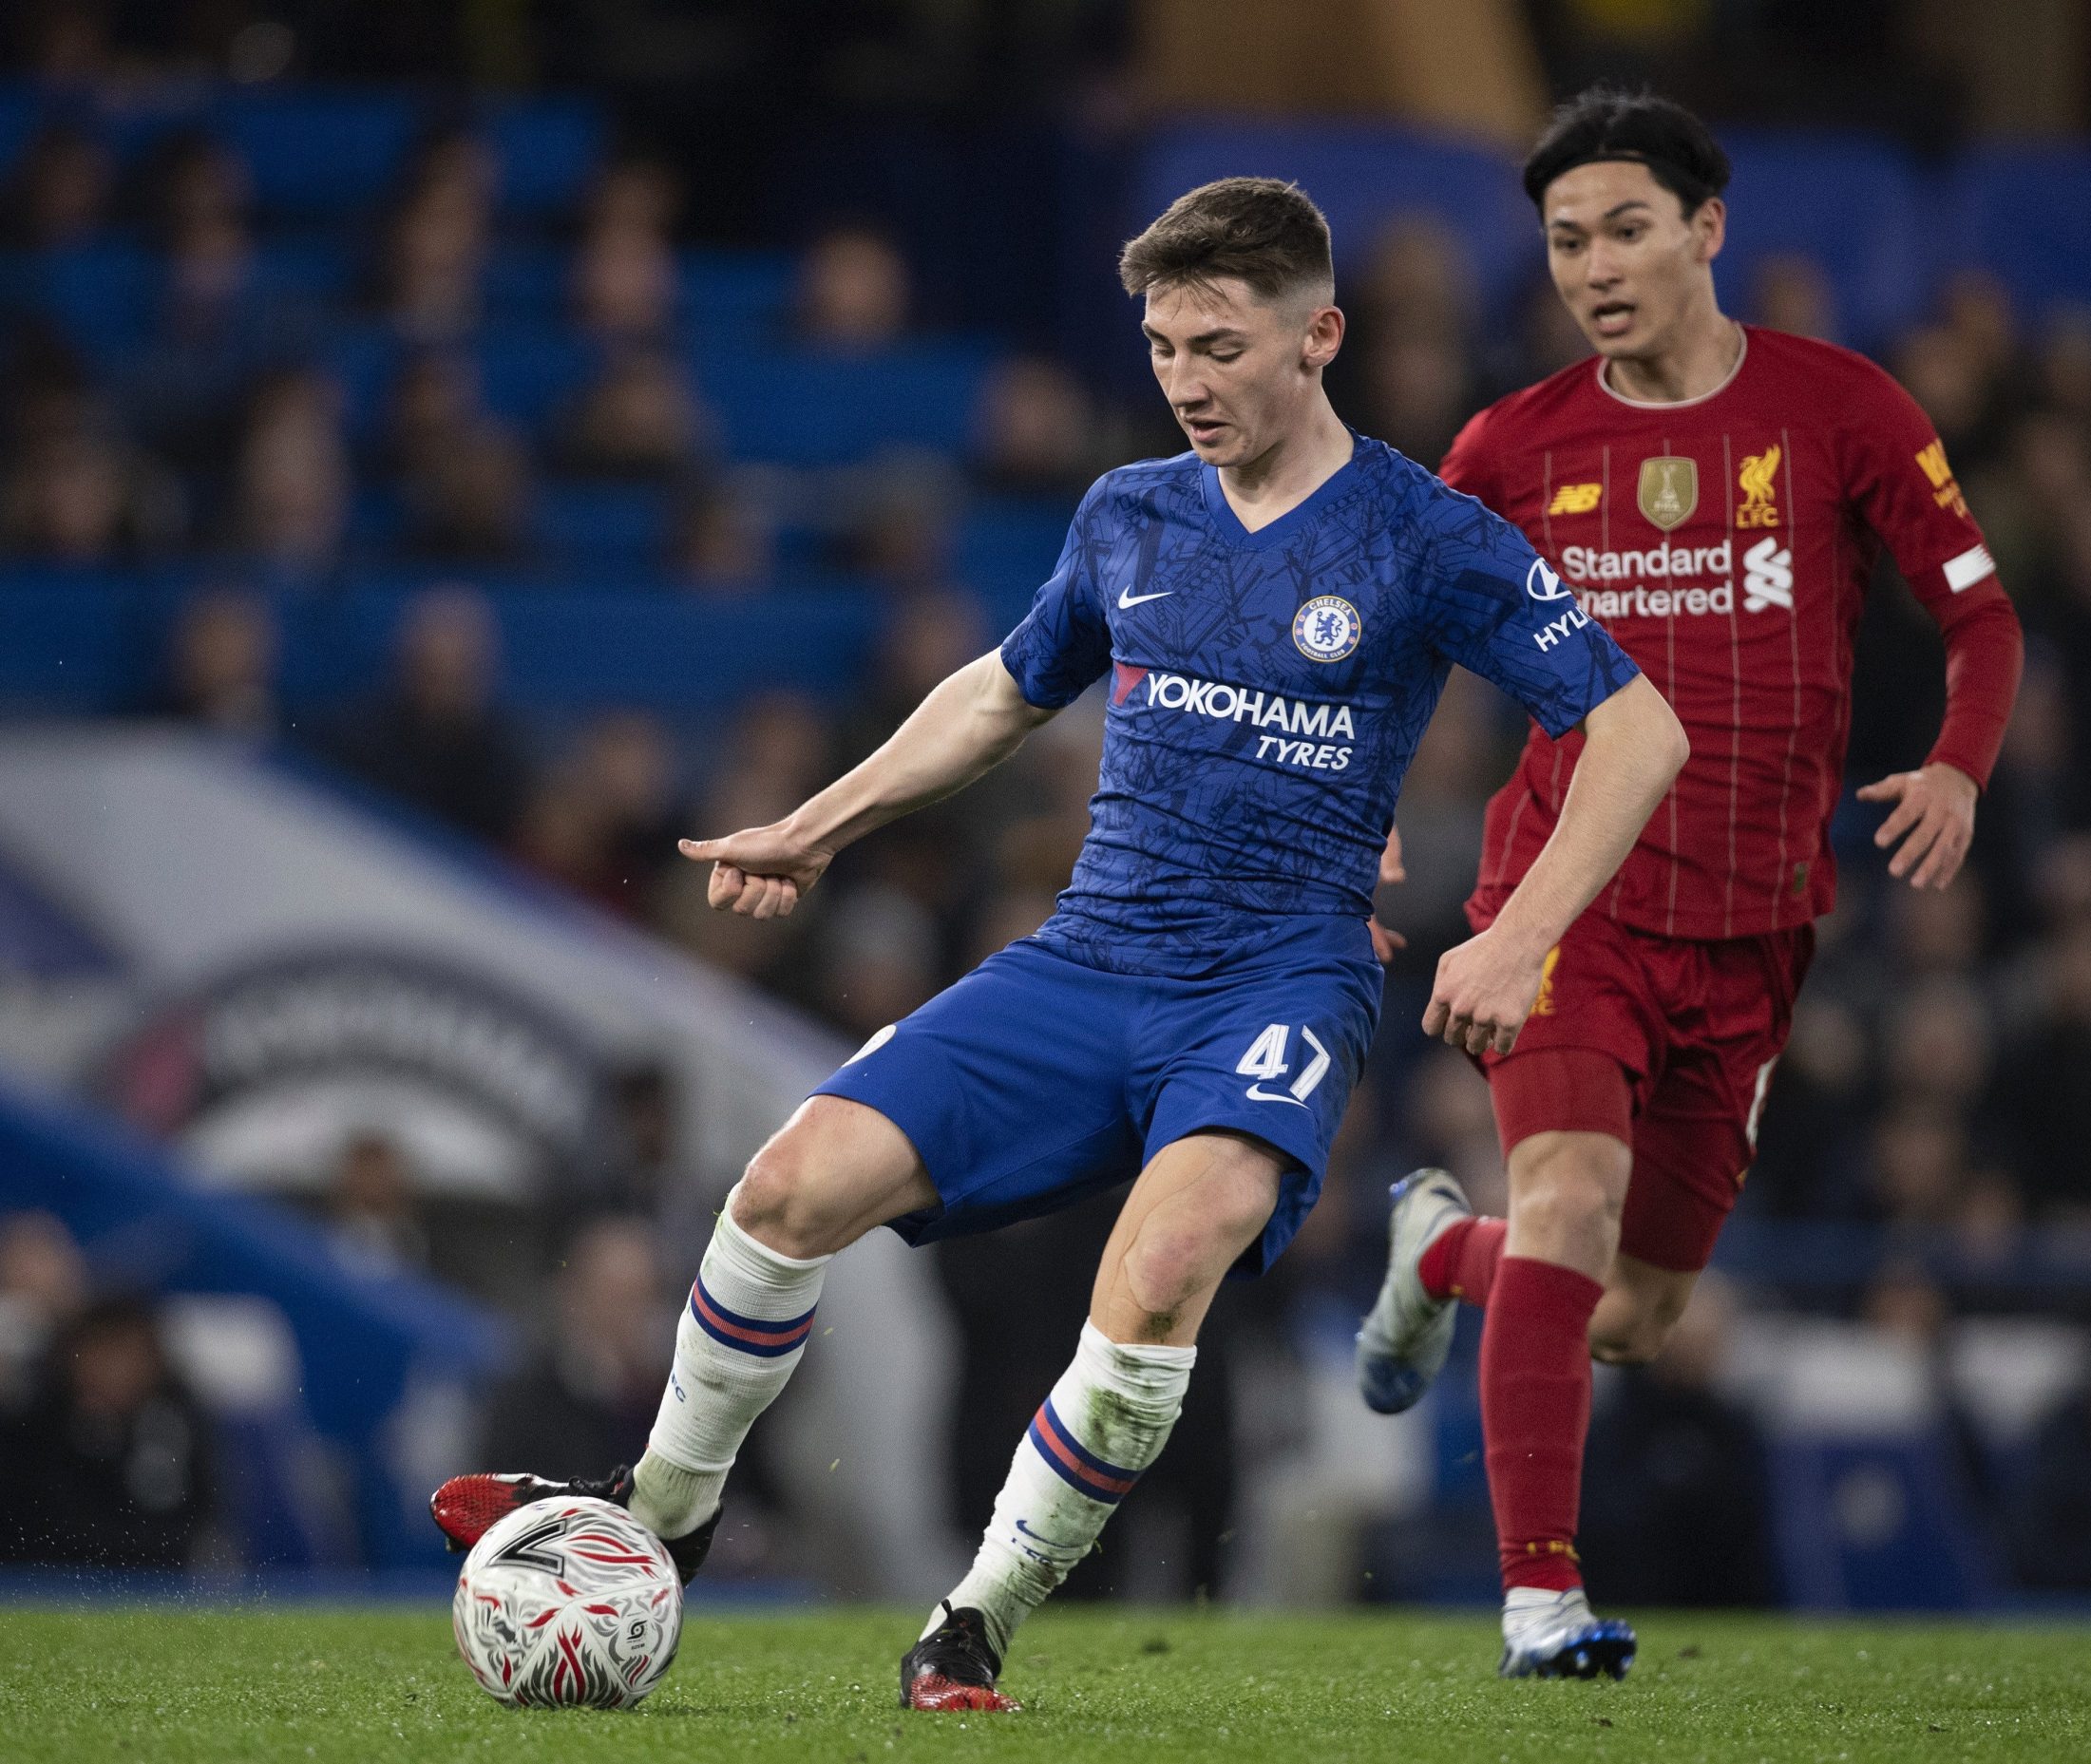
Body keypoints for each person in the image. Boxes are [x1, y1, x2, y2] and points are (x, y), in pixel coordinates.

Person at [430, 176, 1685, 1710]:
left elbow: (1638, 728)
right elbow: (1003, 689)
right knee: (781, 1191)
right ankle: (661, 1513)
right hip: (1089, 954)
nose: (1187, 380)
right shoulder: (1128, 511)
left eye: (1220, 345)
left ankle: (972, 1619)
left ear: (1321, 336)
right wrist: (821, 822)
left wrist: (1520, 937)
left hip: (1275, 980)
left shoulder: (1427, 536)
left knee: (1156, 1274)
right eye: (1163, 346)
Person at [1353, 87, 2024, 1676]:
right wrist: (1362, 816)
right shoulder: (1510, 446)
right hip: (1564, 901)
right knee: (1571, 1202)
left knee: (1638, 1307)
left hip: (1757, 930)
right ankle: (1539, 1600)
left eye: (1627, 229)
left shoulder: (1845, 409)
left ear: (1707, 230)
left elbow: (1983, 616)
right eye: (1568, 240)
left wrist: (1957, 763)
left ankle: (1442, 1254)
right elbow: (1395, 647)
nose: (1595, 264)